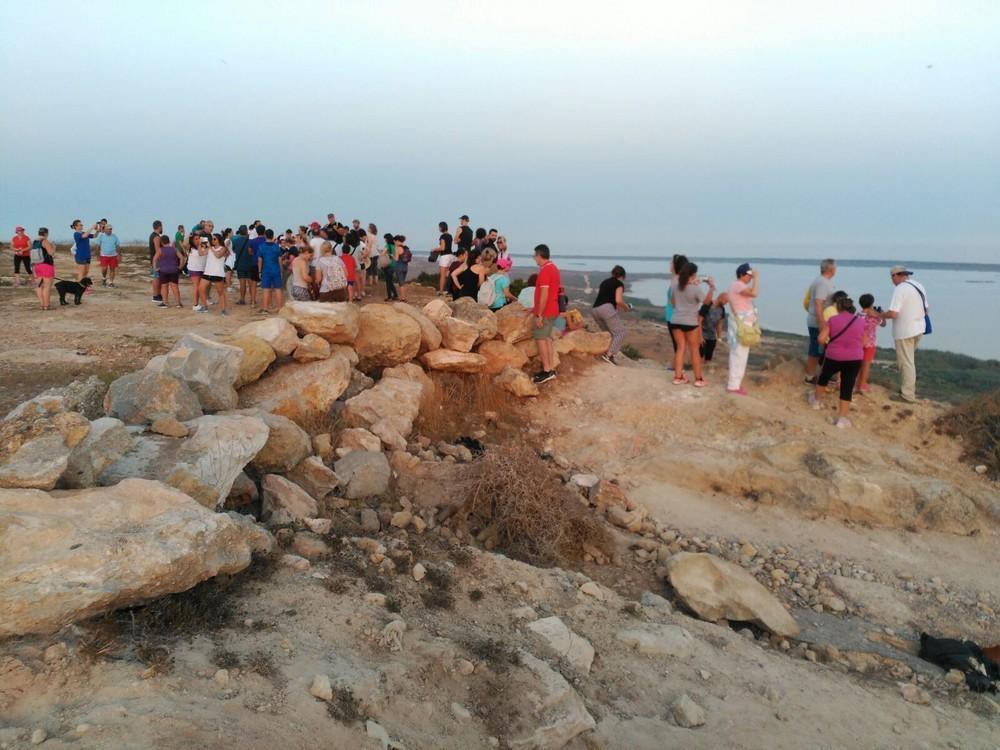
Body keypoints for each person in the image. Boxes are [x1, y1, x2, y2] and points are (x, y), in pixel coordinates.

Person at [810, 296, 864, 428]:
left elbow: (821, 339)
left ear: (838, 308)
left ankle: (816, 402)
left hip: (834, 356)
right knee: (847, 386)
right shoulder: (861, 321)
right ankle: (842, 419)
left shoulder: (833, 320)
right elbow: (865, 341)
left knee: (824, 378)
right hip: (854, 358)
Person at [881, 265, 929, 403]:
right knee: (909, 361)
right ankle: (907, 389)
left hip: (905, 331)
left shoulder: (900, 289)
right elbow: (926, 309)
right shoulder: (918, 285)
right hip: (919, 328)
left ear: (896, 275)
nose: (892, 280)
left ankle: (907, 395)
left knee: (906, 363)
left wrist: (879, 314)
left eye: (892, 277)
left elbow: (893, 313)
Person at [670, 262, 714, 386]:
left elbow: (672, 302)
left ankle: (678, 377)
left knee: (680, 348)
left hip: (676, 320)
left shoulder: (675, 286)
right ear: (693, 274)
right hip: (690, 322)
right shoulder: (695, 289)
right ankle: (699, 379)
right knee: (694, 350)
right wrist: (711, 287)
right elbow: (707, 302)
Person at [726, 263, 760, 395]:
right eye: (748, 275)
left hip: (743, 323)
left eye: (751, 276)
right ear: (741, 274)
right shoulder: (738, 285)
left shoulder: (739, 286)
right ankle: (733, 385)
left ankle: (735, 384)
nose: (750, 278)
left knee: (741, 354)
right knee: (738, 354)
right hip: (741, 324)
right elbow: (754, 293)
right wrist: (757, 278)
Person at [532, 244, 561, 384]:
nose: (534, 259)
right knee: (548, 339)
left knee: (541, 340)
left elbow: (544, 294)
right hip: (552, 309)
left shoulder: (544, 271)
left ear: (539, 255)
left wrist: (539, 314)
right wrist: (534, 308)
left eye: (535, 256)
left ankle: (547, 370)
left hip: (546, 311)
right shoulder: (554, 268)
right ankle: (550, 369)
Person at [805, 258, 837, 383]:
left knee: (821, 349)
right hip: (817, 321)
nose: (836, 269)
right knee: (815, 349)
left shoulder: (823, 281)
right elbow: (819, 304)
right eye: (835, 267)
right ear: (831, 269)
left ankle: (819, 374)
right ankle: (810, 376)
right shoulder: (822, 283)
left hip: (820, 320)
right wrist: (822, 323)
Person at [590, 266, 631, 365]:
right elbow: (618, 300)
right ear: (622, 276)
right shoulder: (619, 284)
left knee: (609, 334)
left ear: (612, 273)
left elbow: (606, 298)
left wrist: (615, 310)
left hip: (595, 310)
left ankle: (604, 352)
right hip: (606, 309)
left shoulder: (605, 282)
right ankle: (609, 355)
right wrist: (626, 307)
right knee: (621, 332)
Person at [856, 293, 885, 393]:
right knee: (866, 365)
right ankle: (862, 385)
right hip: (870, 344)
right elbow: (883, 324)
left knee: (858, 365)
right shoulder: (874, 316)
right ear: (872, 304)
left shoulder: (858, 315)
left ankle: (856, 384)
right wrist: (881, 314)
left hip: (857, 343)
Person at [664, 254, 689, 352]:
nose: (670, 264)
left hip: (674, 316)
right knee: (678, 344)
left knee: (678, 345)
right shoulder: (678, 279)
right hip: (674, 316)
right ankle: (676, 365)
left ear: (676, 265)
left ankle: (676, 366)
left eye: (671, 263)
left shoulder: (676, 280)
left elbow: (675, 301)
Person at [202, 233, 229, 316]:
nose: (212, 241)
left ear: (218, 240)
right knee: (200, 289)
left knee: (220, 292)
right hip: (207, 272)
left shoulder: (223, 248)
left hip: (217, 273)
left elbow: (218, 255)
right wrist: (201, 245)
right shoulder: (210, 248)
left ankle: (223, 310)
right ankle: (205, 306)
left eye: (214, 239)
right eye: (212, 239)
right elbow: (201, 253)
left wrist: (210, 248)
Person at [257, 229, 283, 313]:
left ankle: (265, 308)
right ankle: (279, 308)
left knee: (266, 289)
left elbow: (260, 260)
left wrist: (259, 271)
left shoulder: (261, 246)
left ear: (265, 235)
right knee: (278, 289)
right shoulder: (276, 246)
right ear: (272, 235)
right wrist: (281, 269)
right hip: (276, 269)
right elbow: (280, 259)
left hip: (266, 270)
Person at [153, 235, 183, 308]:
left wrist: (155, 268)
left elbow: (154, 259)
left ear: (162, 242)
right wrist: (180, 267)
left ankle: (165, 303)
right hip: (174, 270)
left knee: (164, 286)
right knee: (175, 286)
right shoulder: (174, 249)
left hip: (163, 271)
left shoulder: (160, 250)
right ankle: (178, 303)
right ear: (169, 241)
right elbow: (181, 257)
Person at [31, 228, 56, 310]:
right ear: (46, 234)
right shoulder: (45, 241)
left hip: (36, 266)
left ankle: (42, 305)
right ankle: (46, 306)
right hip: (46, 266)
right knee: (47, 287)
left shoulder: (34, 242)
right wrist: (53, 247)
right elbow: (51, 253)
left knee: (39, 286)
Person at [232, 225, 257, 307]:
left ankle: (242, 299)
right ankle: (252, 299)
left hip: (240, 264)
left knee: (242, 283)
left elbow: (234, 250)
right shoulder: (250, 241)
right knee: (250, 283)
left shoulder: (235, 241)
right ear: (246, 231)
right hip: (250, 264)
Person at [700, 294, 728, 362]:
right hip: (702, 334)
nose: (726, 303)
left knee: (709, 357)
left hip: (712, 336)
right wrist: (700, 336)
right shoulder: (707, 305)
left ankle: (705, 371)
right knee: (700, 355)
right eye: (726, 301)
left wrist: (719, 337)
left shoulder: (722, 309)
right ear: (721, 298)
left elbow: (719, 323)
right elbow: (699, 321)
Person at [187, 235, 209, 311]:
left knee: (200, 287)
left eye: (199, 238)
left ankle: (198, 303)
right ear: (192, 241)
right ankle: (195, 304)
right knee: (196, 286)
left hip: (201, 269)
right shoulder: (191, 248)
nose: (198, 240)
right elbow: (201, 254)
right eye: (196, 239)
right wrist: (187, 236)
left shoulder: (202, 247)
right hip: (194, 269)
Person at [434, 221, 454, 295]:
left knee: (442, 275)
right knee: (448, 274)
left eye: (439, 227)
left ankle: (441, 291)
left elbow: (442, 248)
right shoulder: (450, 236)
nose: (439, 228)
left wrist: (434, 249)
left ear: (442, 227)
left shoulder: (442, 236)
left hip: (444, 256)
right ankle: (449, 290)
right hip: (451, 256)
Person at [381, 234, 398, 301]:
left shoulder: (387, 245)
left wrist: (381, 253)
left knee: (388, 281)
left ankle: (389, 297)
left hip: (388, 264)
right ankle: (395, 295)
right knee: (390, 281)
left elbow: (383, 253)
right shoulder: (394, 246)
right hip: (393, 265)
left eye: (385, 238)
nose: (384, 240)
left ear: (387, 239)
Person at [394, 236, 410, 302]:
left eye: (395, 241)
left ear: (398, 241)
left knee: (401, 284)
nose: (395, 243)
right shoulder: (406, 248)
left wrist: (392, 256)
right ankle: (404, 297)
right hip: (405, 267)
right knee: (403, 283)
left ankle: (402, 298)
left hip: (399, 267)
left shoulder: (398, 248)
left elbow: (396, 259)